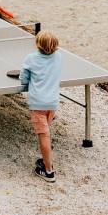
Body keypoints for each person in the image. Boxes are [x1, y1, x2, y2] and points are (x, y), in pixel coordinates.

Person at [19, 30, 63, 182]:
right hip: (52, 103)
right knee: (46, 132)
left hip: (38, 104)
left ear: (37, 44)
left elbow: (23, 79)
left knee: (44, 135)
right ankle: (45, 160)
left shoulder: (31, 58)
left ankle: (48, 171)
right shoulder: (59, 57)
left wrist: (28, 78)